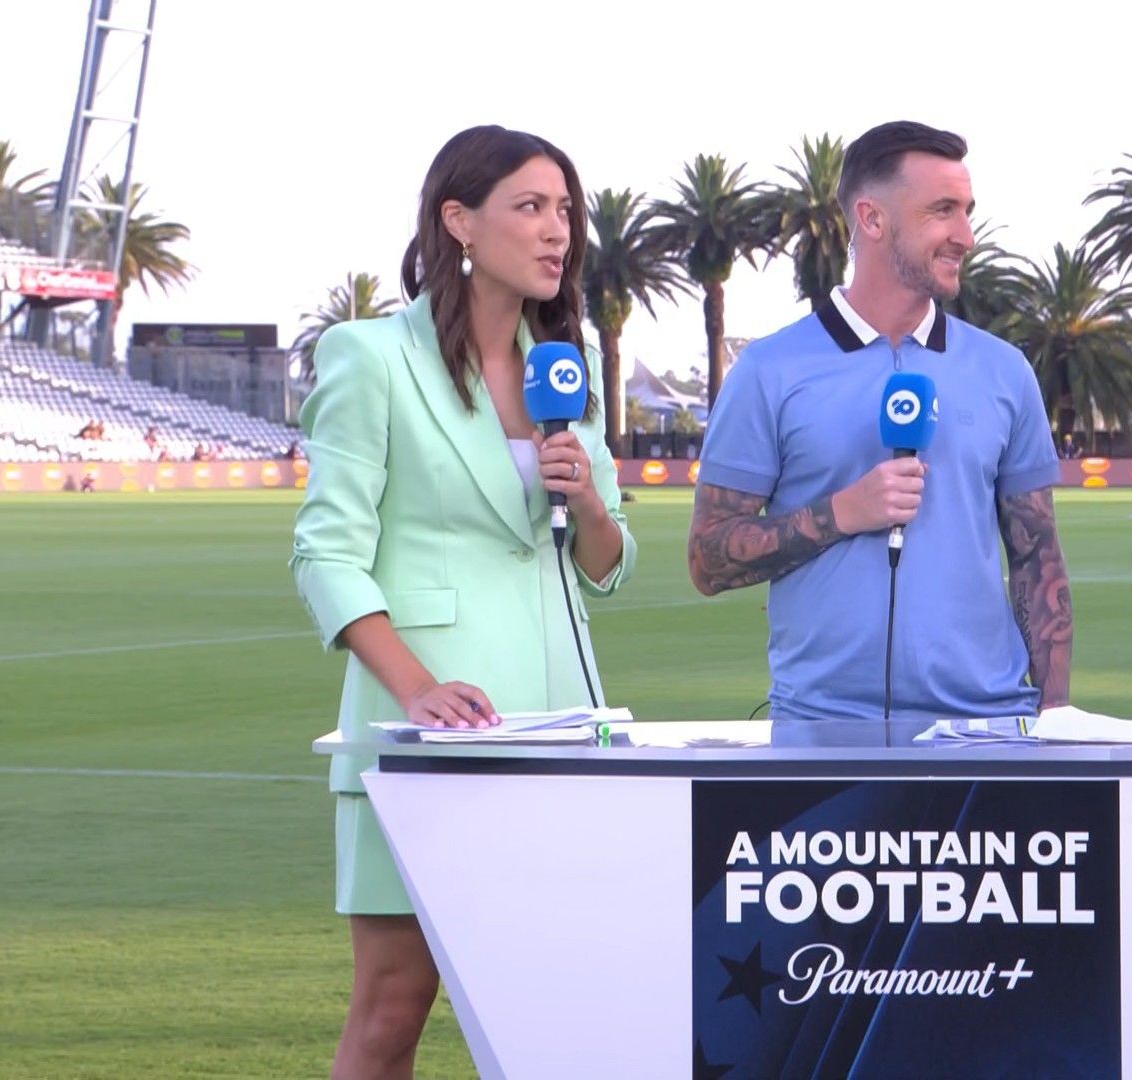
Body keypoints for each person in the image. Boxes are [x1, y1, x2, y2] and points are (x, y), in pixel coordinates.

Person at [290, 124, 635, 1080]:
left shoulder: (565, 363)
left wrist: (587, 500)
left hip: (563, 726)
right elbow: (325, 552)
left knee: (560, 1012)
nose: (557, 230)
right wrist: (417, 690)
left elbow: (607, 563)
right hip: (425, 734)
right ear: (459, 221)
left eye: (564, 210)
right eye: (531, 207)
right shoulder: (370, 356)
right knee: (392, 1011)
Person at [689, 120, 1071, 734]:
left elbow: (1037, 557)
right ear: (871, 219)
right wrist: (842, 512)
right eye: (942, 211)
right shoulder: (767, 371)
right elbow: (707, 560)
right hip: (821, 733)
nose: (966, 236)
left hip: (986, 731)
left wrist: (1054, 719)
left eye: (967, 212)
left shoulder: (1004, 371)